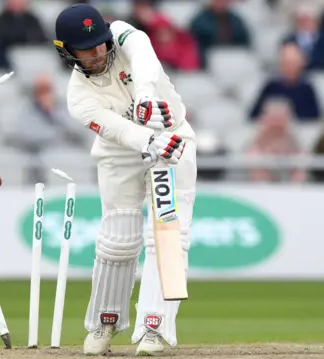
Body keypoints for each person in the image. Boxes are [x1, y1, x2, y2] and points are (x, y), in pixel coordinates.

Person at [52, 3, 197, 356]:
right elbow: (117, 130)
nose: (99, 53)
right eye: (87, 50)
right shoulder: (79, 99)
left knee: (169, 234)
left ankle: (155, 329)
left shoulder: (123, 34)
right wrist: (149, 138)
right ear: (67, 52)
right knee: (118, 239)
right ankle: (105, 322)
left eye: (101, 43)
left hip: (173, 136)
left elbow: (144, 52)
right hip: (121, 152)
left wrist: (147, 96)